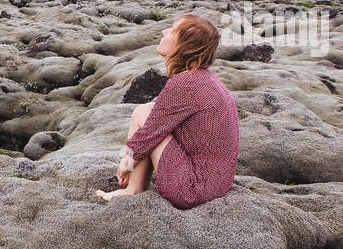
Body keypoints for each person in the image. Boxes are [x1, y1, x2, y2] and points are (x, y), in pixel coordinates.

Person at [95, 14, 239, 209]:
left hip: (192, 190)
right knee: (148, 111)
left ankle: (132, 190)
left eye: (171, 30)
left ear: (184, 45)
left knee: (142, 114)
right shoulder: (208, 79)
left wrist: (125, 164)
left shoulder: (185, 83)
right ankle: (134, 188)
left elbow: (148, 134)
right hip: (218, 185)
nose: (164, 31)